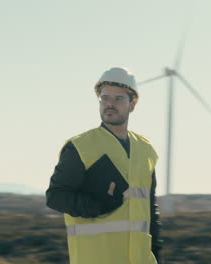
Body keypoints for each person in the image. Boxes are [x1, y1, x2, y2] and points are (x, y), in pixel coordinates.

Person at [46, 67, 162, 264]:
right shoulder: (80, 147)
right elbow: (55, 196)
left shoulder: (146, 150)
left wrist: (156, 255)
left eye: (118, 99)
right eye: (105, 98)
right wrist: (96, 206)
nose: (110, 104)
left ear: (132, 104)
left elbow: (150, 209)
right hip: (95, 257)